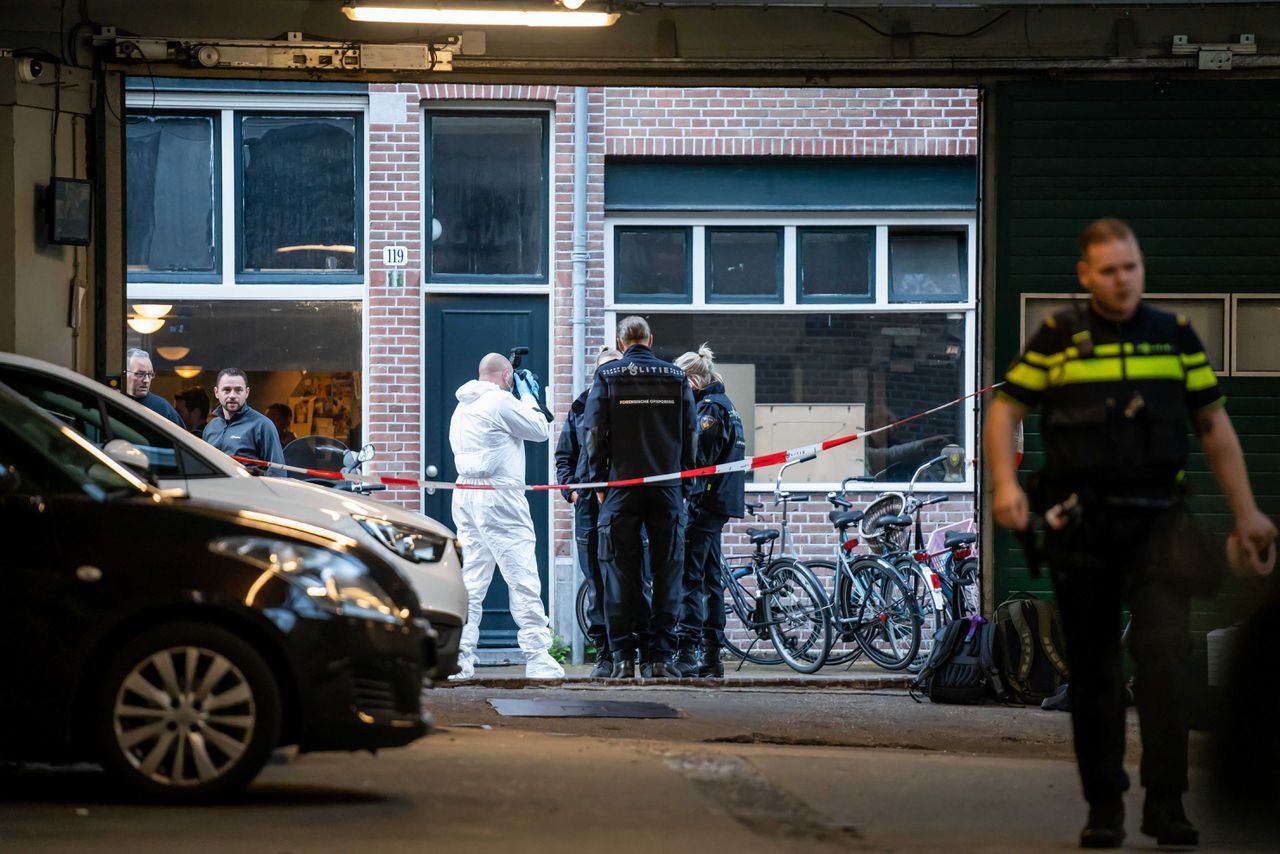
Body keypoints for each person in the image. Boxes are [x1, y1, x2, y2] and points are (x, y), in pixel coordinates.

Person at [984, 218, 1277, 850]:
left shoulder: (1173, 336)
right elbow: (1006, 406)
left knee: (1165, 665)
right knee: (1094, 672)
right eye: (1110, 270)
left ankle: (1167, 805)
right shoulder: (1058, 336)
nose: (1124, 280)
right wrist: (1006, 487)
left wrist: (1247, 511)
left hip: (1157, 527)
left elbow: (1214, 427)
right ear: (1085, 275)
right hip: (1082, 528)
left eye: (1132, 267)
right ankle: (1105, 809)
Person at [582, 316, 697, 679]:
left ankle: (622, 659)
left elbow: (594, 432)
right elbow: (690, 434)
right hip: (666, 490)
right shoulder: (677, 377)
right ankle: (660, 658)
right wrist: (684, 483)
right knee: (668, 572)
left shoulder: (607, 376)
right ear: (650, 339)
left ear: (621, 339)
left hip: (621, 489)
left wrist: (598, 482)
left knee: (618, 572)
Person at [448, 353, 563, 681]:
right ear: (507, 375)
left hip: (466, 496)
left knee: (472, 577)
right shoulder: (499, 401)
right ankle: (538, 656)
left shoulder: (462, 406)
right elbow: (540, 428)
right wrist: (528, 394)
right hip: (499, 497)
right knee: (522, 572)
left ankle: (460, 656)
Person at [670, 344, 746, 679]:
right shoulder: (723, 405)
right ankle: (712, 656)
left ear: (693, 381)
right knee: (712, 579)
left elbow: (698, 459)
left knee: (691, 578)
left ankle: (688, 652)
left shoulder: (710, 410)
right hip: (715, 504)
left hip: (705, 504)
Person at [555, 347, 623, 678]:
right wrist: (570, 491)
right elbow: (564, 455)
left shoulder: (630, 407)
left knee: (628, 578)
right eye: (603, 370)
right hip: (587, 508)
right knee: (595, 580)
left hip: (624, 504)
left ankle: (628, 650)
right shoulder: (581, 405)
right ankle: (604, 654)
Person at [203, 368, 286, 477]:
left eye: (238, 390)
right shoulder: (210, 427)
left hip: (247, 492)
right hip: (213, 492)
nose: (232, 395)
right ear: (216, 392)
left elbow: (278, 473)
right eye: (226, 390)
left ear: (247, 392)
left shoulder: (263, 425)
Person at [122, 348, 184, 428]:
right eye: (140, 374)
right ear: (125, 373)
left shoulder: (163, 408)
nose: (146, 380)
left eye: (150, 374)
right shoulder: (112, 402)